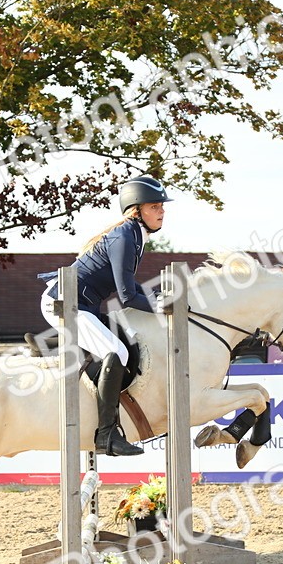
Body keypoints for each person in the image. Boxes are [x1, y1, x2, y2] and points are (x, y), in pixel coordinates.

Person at [38, 174, 172, 456]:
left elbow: (127, 284)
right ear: (137, 210)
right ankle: (106, 435)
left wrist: (158, 298)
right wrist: (164, 308)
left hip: (81, 304)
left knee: (116, 348)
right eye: (154, 206)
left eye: (162, 206)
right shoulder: (126, 236)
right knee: (118, 353)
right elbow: (127, 296)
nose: (162, 211)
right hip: (63, 302)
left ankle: (53, 350)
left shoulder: (135, 235)